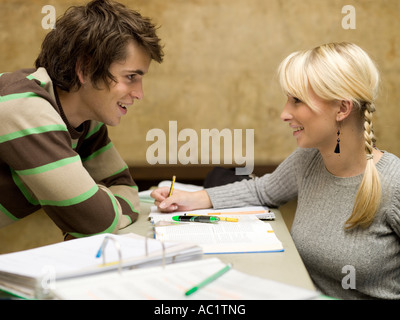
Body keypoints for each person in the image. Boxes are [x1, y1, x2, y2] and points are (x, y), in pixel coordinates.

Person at [151, 42, 400, 300]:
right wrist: (193, 199)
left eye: (297, 100)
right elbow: (262, 190)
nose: (284, 113)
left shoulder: (394, 184)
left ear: (342, 108)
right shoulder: (308, 160)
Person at [0, 0, 163, 239]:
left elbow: (123, 186)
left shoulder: (85, 121)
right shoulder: (23, 107)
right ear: (85, 68)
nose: (139, 93)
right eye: (130, 77)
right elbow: (97, 221)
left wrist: (98, 203)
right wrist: (97, 205)